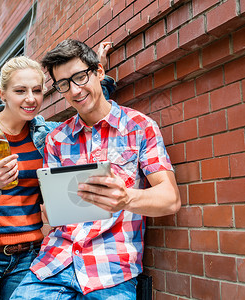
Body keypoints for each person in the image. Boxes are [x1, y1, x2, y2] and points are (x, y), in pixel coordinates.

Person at [0, 43, 115, 300]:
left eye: (37, 91)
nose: (31, 99)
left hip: (28, 256)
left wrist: (98, 75)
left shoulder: (47, 134)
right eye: (20, 91)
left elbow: (92, 110)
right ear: (3, 94)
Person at [11, 39, 181, 299]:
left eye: (80, 77)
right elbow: (51, 211)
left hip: (111, 269)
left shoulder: (138, 126)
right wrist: (50, 208)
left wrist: (126, 198)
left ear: (99, 72)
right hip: (56, 262)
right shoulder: (56, 138)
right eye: (64, 85)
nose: (75, 91)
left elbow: (170, 199)